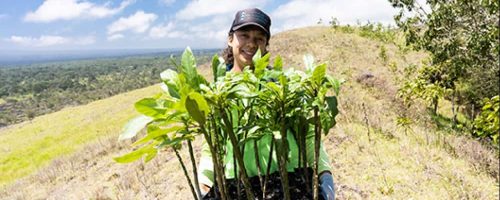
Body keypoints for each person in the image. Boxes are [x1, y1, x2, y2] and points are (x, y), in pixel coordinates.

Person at [197, 8, 335, 200]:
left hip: (290, 181)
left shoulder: (282, 84)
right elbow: (212, 145)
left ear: (266, 45)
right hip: (236, 185)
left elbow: (309, 134)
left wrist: (324, 173)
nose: (251, 44)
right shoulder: (216, 92)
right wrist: (205, 182)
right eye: (244, 35)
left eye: (259, 38)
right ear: (230, 39)